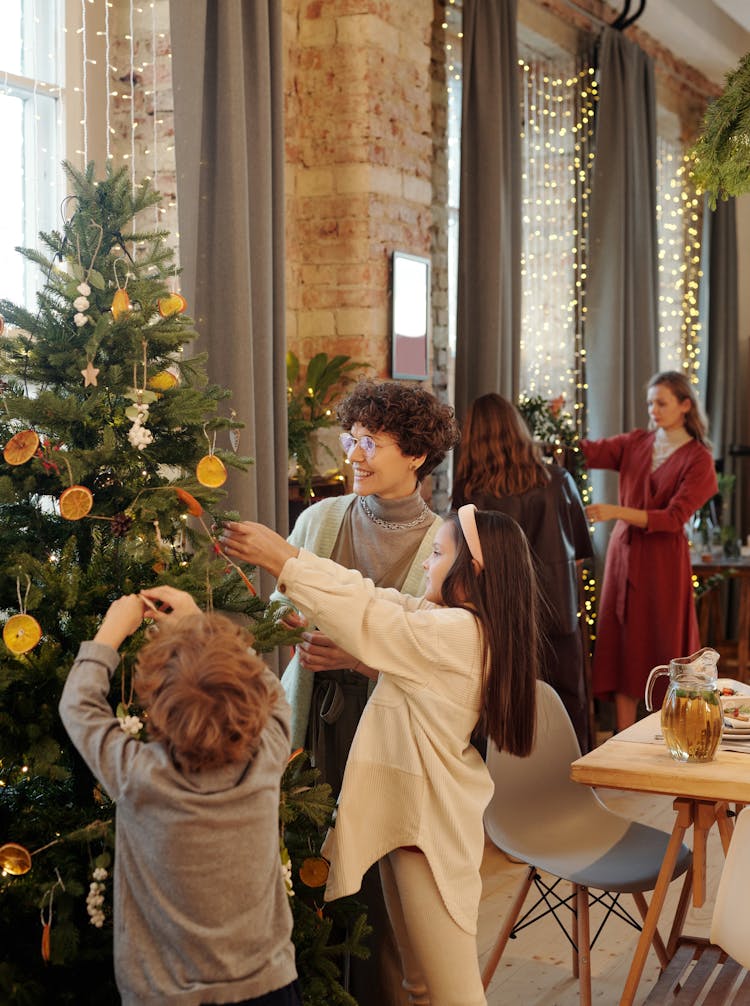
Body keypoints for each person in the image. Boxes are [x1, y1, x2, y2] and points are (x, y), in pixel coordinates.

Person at [220, 505, 540, 1006]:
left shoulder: (457, 632)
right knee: (419, 985)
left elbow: (371, 616)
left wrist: (283, 559)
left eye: (438, 554)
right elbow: (374, 599)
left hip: (426, 829)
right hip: (409, 820)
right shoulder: (446, 622)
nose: (429, 565)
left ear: (470, 573)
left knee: (453, 993)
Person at [277, 379, 459, 1006]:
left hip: (385, 729)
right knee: (305, 867)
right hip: (311, 721)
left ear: (415, 455)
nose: (353, 453)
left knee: (379, 892)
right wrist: (295, 624)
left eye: (370, 442)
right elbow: (278, 608)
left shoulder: (445, 545)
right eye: (350, 438)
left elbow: (438, 656)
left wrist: (361, 658)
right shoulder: (319, 519)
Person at [58, 584, 300, 1006]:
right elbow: (272, 691)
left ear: (157, 706)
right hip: (268, 987)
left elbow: (78, 706)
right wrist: (197, 623)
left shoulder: (138, 775)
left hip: (165, 995)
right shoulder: (267, 755)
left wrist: (110, 633)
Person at [452, 392, 593, 751]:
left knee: (502, 713)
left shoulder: (470, 492)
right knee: (565, 706)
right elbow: (579, 556)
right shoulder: (559, 481)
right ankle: (571, 784)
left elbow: (462, 561)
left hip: (497, 618)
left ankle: (508, 793)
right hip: (560, 615)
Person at [581, 370, 718, 731]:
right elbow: (587, 452)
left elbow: (673, 518)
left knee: (662, 646)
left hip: (662, 565)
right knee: (623, 650)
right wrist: (552, 429)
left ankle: (667, 735)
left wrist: (616, 511)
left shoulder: (699, 460)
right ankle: (624, 742)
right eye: (650, 403)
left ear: (685, 406)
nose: (653, 410)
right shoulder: (636, 442)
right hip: (624, 561)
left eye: (661, 403)